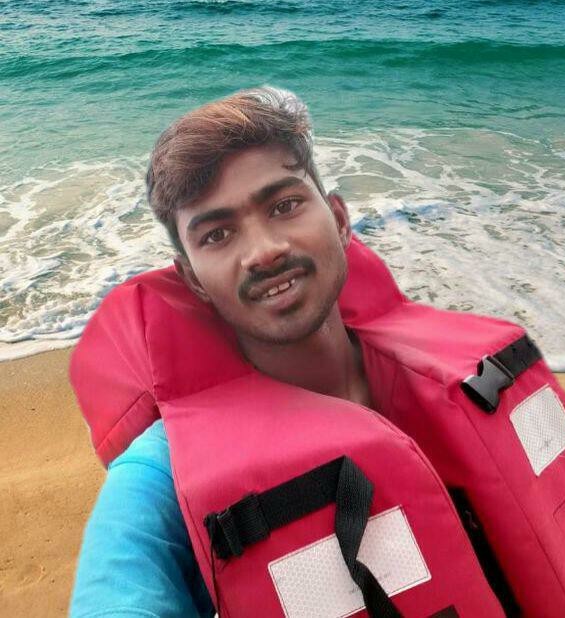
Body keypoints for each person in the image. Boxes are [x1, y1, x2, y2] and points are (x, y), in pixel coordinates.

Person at [70, 86, 372, 617]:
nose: (263, 252)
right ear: (193, 280)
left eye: (284, 205)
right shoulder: (165, 472)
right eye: (217, 235)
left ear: (341, 220)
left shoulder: (470, 380)